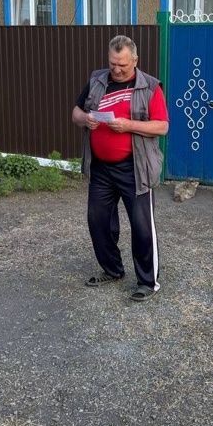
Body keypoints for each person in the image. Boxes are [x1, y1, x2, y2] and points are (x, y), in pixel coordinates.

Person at [72, 35, 169, 302]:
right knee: (98, 220)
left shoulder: (150, 87)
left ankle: (147, 282)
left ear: (135, 60)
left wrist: (128, 125)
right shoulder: (97, 80)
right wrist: (86, 119)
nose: (116, 69)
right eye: (113, 63)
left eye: (122, 65)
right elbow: (75, 113)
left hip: (134, 168)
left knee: (141, 226)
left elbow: (162, 126)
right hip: (101, 168)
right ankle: (112, 270)